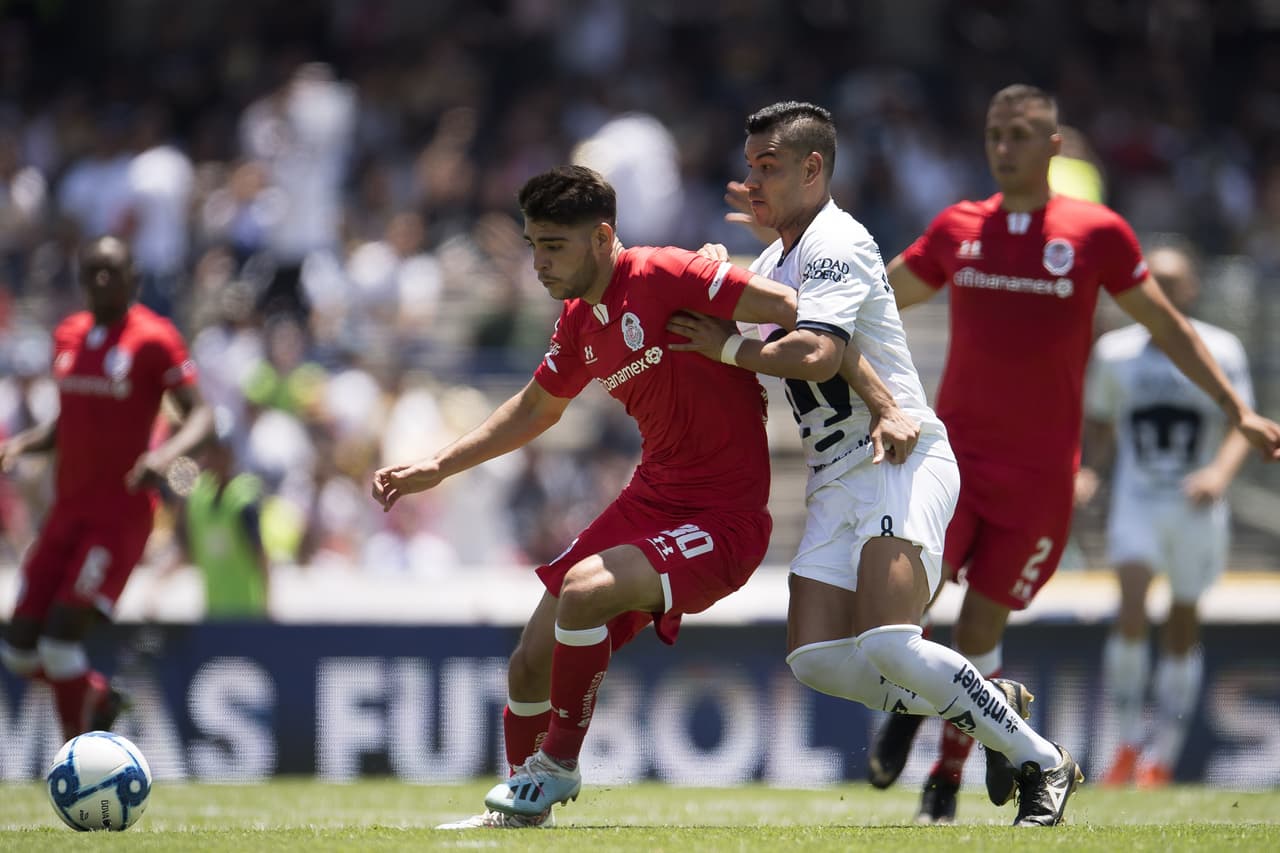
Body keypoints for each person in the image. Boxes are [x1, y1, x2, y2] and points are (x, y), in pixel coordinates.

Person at [859, 84, 1280, 823]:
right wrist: (766, 301)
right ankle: (908, 705)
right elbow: (876, 297)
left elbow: (1169, 325)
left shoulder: (1097, 234)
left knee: (981, 631)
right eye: (995, 133)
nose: (1005, 146)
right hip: (950, 461)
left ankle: (944, 780)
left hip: (1041, 476)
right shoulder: (959, 228)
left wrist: (1237, 409)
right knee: (906, 602)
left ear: (1053, 146)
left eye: (1021, 134)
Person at [670, 100, 1083, 827]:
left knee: (890, 642)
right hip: (837, 472)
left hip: (896, 456)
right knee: (818, 657)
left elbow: (819, 350)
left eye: (770, 168)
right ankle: (992, 704)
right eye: (750, 168)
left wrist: (727, 345)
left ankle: (1043, 760)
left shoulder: (834, 240)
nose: (755, 181)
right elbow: (778, 307)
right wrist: (714, 269)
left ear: (814, 168)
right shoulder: (780, 256)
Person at [373, 164, 804, 830]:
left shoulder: (666, 273)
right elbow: (535, 408)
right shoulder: (578, 321)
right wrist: (439, 462)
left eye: (554, 246)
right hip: (651, 498)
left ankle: (559, 764)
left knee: (583, 590)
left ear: (602, 238)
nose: (539, 263)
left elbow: (790, 308)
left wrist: (735, 345)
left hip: (723, 518)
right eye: (533, 245)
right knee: (527, 666)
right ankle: (519, 808)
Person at [0, 236, 214, 741]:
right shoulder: (68, 336)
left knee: (58, 645)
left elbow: (202, 415)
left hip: (118, 518)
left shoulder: (154, 339)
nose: (101, 280)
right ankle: (99, 695)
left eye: (111, 271)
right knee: (17, 649)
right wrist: (23, 445)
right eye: (93, 271)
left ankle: (74, 760)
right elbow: (69, 422)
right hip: (65, 512)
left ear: (133, 281)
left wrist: (163, 456)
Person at [1077, 243, 1255, 788]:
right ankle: (1128, 739)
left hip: (1195, 508)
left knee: (1182, 624)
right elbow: (1102, 423)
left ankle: (1163, 755)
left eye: (1174, 281)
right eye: (1155, 280)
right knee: (1130, 607)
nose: (1164, 290)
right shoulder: (1117, 352)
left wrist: (1218, 477)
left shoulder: (1220, 349)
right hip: (1139, 501)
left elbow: (1241, 424)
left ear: (1191, 288)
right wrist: (1090, 471)